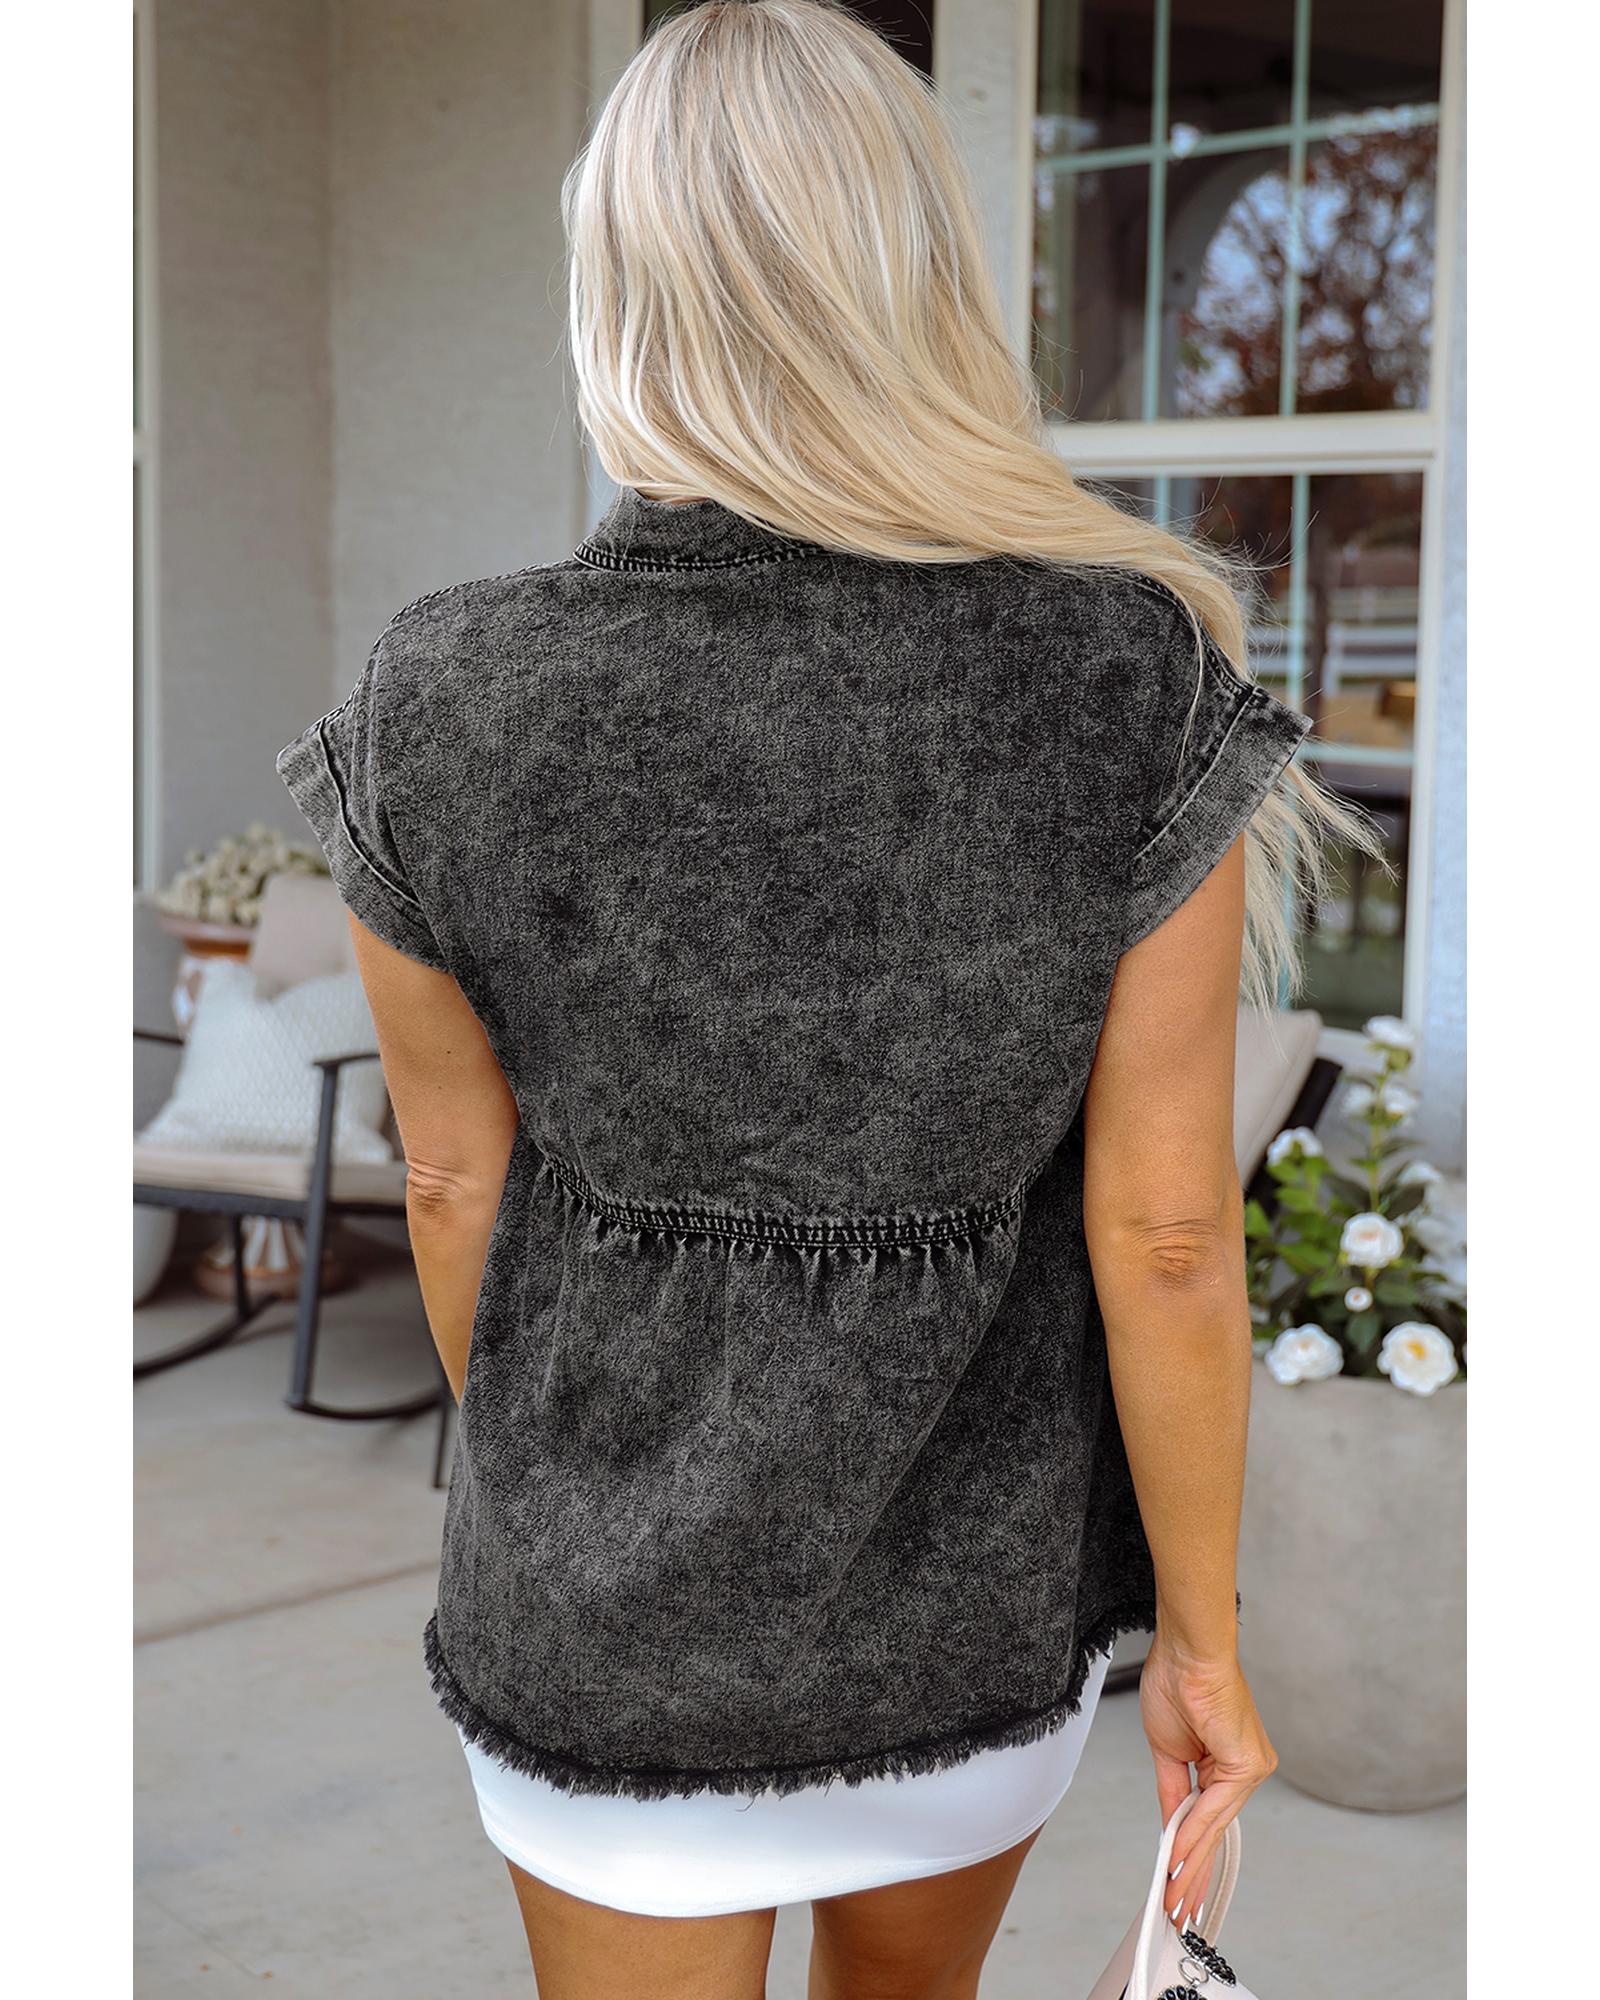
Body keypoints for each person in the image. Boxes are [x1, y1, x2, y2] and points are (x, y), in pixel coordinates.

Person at [279, 4, 1370, 1994]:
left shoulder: (441, 692)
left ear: (617, 290)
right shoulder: (1122, 671)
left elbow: (451, 1187)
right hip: (970, 1624)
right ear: (921, 279)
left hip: (592, 1629)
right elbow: (1161, 1234)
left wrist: (557, 1491)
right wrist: (1204, 1643)